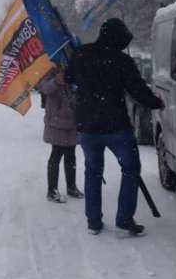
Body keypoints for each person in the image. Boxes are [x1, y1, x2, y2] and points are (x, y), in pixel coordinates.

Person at [67, 18, 164, 236]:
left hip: (87, 126)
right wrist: (157, 102)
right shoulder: (122, 61)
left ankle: (93, 222)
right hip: (116, 127)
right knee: (130, 168)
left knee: (92, 172)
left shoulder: (81, 54)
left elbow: (69, 77)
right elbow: (138, 90)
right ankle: (124, 218)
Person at [39, 65, 83, 203]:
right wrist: (56, 81)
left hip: (72, 118)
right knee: (56, 154)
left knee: (71, 155)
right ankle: (52, 190)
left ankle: (71, 186)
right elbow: (43, 88)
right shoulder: (49, 68)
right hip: (57, 121)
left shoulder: (74, 66)